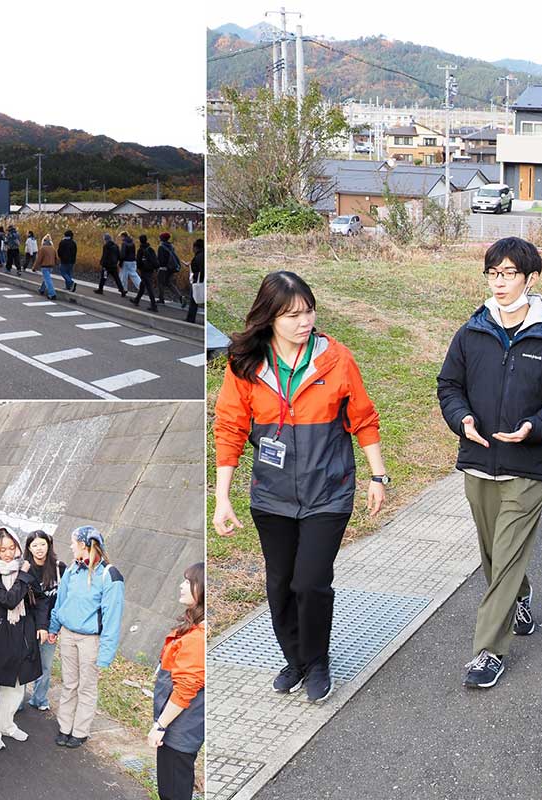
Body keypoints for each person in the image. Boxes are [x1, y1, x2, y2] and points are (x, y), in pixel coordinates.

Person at [213, 271, 388, 702]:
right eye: (292, 315)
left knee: (310, 582)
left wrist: (377, 476)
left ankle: (317, 662)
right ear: (269, 317)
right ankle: (294, 659)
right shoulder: (247, 365)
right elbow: (230, 428)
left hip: (328, 492)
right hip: (272, 497)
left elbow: (364, 418)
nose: (304, 321)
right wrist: (222, 497)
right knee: (280, 585)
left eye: (308, 311)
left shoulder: (336, 359)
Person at [437, 238, 542, 689]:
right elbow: (449, 385)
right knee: (492, 554)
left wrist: (535, 427)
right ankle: (521, 594)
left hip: (528, 467)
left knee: (505, 555)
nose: (499, 283)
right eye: (493, 273)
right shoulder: (472, 332)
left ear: (531, 278)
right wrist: (462, 419)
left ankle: (488, 651)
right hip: (478, 461)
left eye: (509, 274)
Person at [48, 526, 125, 747]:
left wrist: (105, 655)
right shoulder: (73, 569)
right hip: (68, 635)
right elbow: (60, 601)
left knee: (86, 687)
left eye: (74, 543)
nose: (71, 546)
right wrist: (54, 628)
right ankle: (65, 727)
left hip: (90, 640)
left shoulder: (109, 575)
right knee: (69, 684)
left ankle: (80, 731)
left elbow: (112, 618)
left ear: (83, 545)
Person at [0, 527, 41, 751]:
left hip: (22, 631)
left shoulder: (23, 567)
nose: (7, 553)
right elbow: (8, 600)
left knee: (16, 683)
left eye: (11, 548)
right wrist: (23, 576)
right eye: (2, 549)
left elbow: (38, 598)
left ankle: (7, 724)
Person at [149, 563, 205, 800]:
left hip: (180, 728)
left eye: (188, 582)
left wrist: (160, 725)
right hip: (180, 726)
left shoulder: (197, 637)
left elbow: (185, 690)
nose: (181, 586)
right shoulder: (193, 629)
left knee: (173, 791)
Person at [23, 531, 64, 712]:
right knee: (24, 662)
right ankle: (17, 702)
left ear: (49, 545)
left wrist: (55, 626)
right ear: (29, 548)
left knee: (45, 665)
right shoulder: (25, 568)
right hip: (28, 624)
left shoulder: (59, 568)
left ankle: (39, 698)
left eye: (42, 544)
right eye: (34, 545)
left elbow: (65, 598)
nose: (39, 549)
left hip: (50, 623)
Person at [132, 233, 160, 312]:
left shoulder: (140, 250)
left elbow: (138, 262)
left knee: (149, 288)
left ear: (140, 241)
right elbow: (155, 259)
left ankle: (154, 305)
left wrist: (139, 269)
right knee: (142, 285)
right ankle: (137, 299)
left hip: (144, 270)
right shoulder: (150, 249)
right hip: (150, 270)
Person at [156, 232, 184, 306]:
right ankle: (180, 297)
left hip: (163, 268)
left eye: (160, 237)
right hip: (171, 268)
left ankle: (161, 299)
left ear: (162, 238)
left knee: (160, 283)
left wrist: (158, 266)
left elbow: (160, 259)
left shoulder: (161, 247)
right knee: (169, 283)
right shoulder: (171, 246)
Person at [34, 233, 59, 300]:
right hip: (51, 266)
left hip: (44, 266)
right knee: (46, 278)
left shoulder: (42, 248)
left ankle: (52, 294)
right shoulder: (53, 248)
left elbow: (38, 259)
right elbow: (56, 258)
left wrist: (34, 268)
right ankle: (42, 289)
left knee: (48, 280)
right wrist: (56, 264)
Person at [185, 238, 204, 324]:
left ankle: (190, 318)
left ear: (196, 247)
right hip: (200, 280)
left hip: (198, 281)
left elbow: (200, 269)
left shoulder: (198, 256)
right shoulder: (202, 254)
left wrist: (196, 277)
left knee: (194, 300)